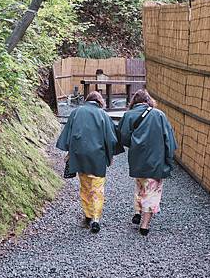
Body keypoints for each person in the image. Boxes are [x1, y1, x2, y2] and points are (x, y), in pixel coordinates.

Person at [117, 89, 177, 236]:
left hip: (137, 159)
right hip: (156, 161)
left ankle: (138, 211)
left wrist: (135, 144)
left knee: (140, 185)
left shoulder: (128, 115)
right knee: (152, 191)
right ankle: (144, 225)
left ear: (134, 103)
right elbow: (170, 140)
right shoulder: (159, 115)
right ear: (149, 101)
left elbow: (122, 136)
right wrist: (168, 160)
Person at [56, 91, 118, 233]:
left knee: (85, 187)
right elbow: (111, 139)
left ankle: (88, 215)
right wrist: (110, 156)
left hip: (80, 155)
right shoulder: (103, 115)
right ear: (99, 102)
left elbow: (68, 134)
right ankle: (96, 218)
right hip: (98, 157)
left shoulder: (76, 112)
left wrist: (69, 152)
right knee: (97, 188)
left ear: (88, 100)